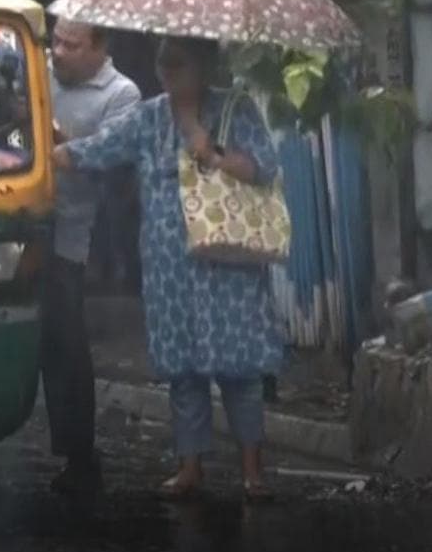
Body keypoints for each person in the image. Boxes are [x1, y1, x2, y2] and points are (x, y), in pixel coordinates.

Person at [52, 36, 283, 501]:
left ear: (202, 67)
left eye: (177, 64)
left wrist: (212, 153)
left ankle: (252, 470)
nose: (167, 73)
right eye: (163, 64)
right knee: (182, 370)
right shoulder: (149, 117)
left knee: (240, 371)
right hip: (169, 263)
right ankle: (190, 465)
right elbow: (102, 147)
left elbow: (263, 167)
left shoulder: (235, 110)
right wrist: (56, 153)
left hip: (227, 262)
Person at [42, 19, 141, 495]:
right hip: (12, 218)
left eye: (71, 45)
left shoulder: (121, 95)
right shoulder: (35, 70)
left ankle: (79, 455)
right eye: (56, 40)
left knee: (64, 343)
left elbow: (113, 155)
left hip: (69, 232)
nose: (58, 51)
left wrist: (63, 147)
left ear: (100, 48)